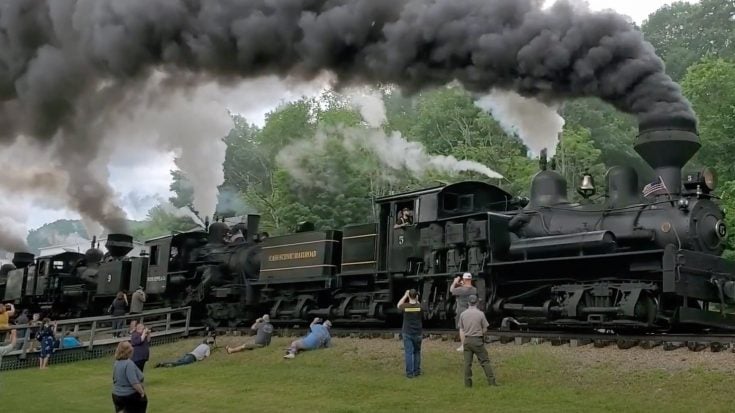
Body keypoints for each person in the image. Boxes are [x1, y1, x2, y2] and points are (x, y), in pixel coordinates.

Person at [458, 295, 497, 388]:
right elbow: (485, 328)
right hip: (477, 340)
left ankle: (467, 384)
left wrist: (463, 343)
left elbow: (461, 330)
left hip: (467, 340)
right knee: (485, 361)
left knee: (467, 363)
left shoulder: (463, 314)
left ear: (468, 303)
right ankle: (491, 382)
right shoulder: (480, 314)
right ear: (477, 303)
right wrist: (480, 334)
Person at [112, 341, 147, 413]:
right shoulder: (128, 364)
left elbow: (114, 379)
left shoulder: (116, 363)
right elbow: (134, 382)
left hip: (116, 395)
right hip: (129, 396)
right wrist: (142, 393)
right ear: (129, 352)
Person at [397, 289, 422, 378]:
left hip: (407, 332)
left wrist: (405, 296)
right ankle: (417, 371)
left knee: (408, 353)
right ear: (416, 296)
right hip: (418, 332)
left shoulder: (405, 306)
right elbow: (419, 305)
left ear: (409, 296)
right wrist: (416, 299)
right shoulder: (420, 307)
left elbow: (398, 305)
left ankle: (409, 373)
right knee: (417, 352)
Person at [451, 272, 478, 352]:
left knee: (462, 329)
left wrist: (455, 282)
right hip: (471, 309)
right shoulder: (474, 290)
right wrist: (462, 284)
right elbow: (467, 288)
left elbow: (451, 290)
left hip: (462, 310)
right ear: (470, 279)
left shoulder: (460, 290)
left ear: (464, 279)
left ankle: (463, 346)